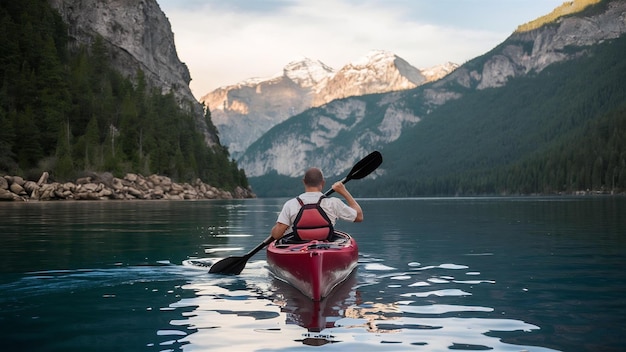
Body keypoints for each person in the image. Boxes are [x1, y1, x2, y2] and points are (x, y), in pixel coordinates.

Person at [270, 167, 363, 241]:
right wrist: (343, 191)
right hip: (326, 246)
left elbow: (277, 235)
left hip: (298, 247)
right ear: (323, 183)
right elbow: (359, 217)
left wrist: (279, 228)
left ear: (304, 182)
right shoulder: (333, 203)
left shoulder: (291, 204)